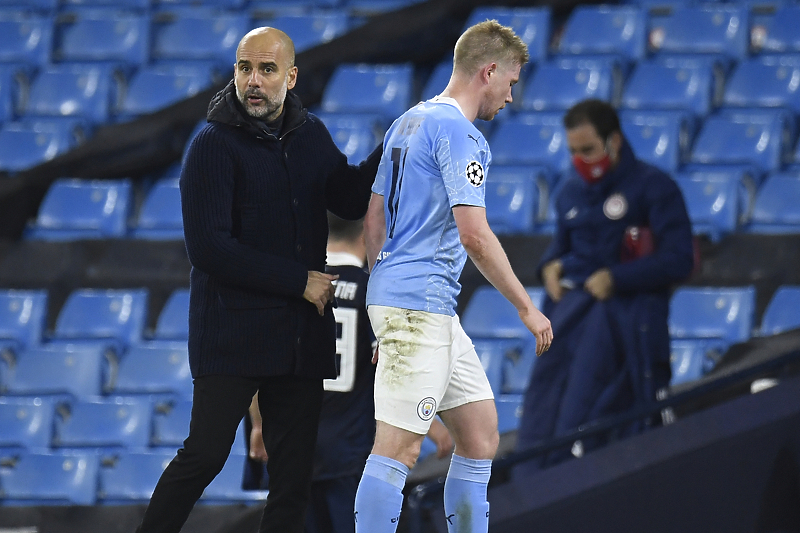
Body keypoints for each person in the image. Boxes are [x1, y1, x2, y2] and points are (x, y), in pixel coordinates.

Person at [135, 27, 380, 533]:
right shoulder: (210, 145)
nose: (254, 80)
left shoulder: (310, 135)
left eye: (267, 70)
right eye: (245, 68)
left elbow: (351, 198)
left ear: (290, 77)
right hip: (232, 336)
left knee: (292, 483)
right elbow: (209, 249)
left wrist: (394, 142)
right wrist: (300, 281)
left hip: (299, 340)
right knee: (202, 457)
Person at [354, 20, 553, 533]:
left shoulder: (406, 123)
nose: (510, 97)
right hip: (420, 304)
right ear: (488, 71)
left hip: (417, 303)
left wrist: (383, 303)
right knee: (398, 448)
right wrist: (525, 306)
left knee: (481, 431)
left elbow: (374, 221)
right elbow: (475, 235)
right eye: (510, 82)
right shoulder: (461, 134)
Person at [245, 213, 454, 533]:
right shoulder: (374, 291)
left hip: (291, 449)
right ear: (368, 234)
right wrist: (433, 425)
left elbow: (256, 364)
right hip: (350, 451)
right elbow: (394, 366)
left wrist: (259, 425)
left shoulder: (289, 286)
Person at [515, 99, 695, 471]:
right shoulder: (570, 193)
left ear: (613, 141)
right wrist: (548, 267)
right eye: (573, 151)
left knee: (590, 417)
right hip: (570, 319)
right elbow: (561, 248)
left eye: (588, 149)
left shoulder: (654, 188)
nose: (580, 159)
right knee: (543, 406)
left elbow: (680, 259)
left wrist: (618, 279)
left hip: (629, 324)